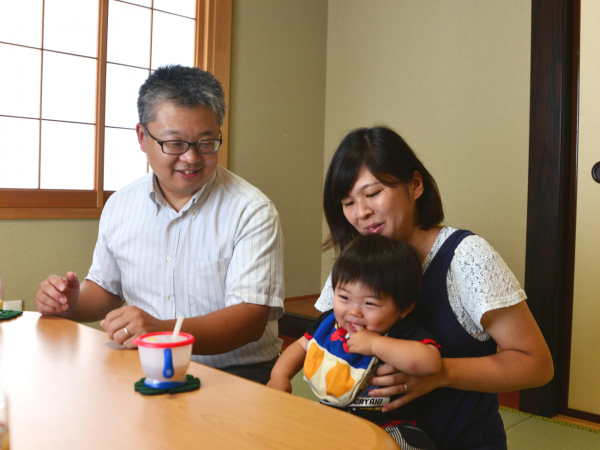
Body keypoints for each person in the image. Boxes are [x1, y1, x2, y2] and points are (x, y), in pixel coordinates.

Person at [35, 65, 285, 384]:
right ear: (143, 137)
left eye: (206, 142)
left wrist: (163, 330)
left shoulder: (252, 210)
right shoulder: (121, 205)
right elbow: (107, 290)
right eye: (175, 143)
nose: (191, 158)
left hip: (237, 373)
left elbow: (250, 320)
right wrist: (69, 303)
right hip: (143, 365)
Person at [317, 126, 554, 450]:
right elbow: (321, 336)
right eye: (347, 202)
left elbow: (537, 366)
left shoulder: (466, 257)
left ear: (415, 185)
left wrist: (441, 373)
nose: (361, 213)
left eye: (373, 194)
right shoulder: (356, 262)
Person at [268, 234, 441, 450]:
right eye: (344, 297)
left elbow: (431, 362)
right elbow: (301, 347)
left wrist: (376, 344)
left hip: (387, 425)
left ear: (404, 307)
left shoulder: (401, 332)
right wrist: (279, 376)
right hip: (329, 418)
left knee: (410, 445)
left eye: (369, 302)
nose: (353, 311)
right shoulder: (329, 324)